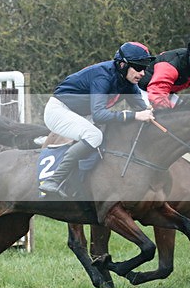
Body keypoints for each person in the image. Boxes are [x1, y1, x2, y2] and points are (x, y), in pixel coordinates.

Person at [39, 41, 155, 197]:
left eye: (145, 69)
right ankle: (54, 180)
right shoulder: (103, 76)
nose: (142, 73)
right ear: (122, 65)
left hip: (80, 114)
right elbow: (99, 115)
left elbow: (144, 111)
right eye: (139, 67)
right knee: (94, 136)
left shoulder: (128, 82)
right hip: (58, 110)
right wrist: (133, 115)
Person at [138, 43, 190, 108]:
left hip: (166, 92)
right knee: (166, 115)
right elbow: (156, 94)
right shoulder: (170, 66)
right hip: (145, 90)